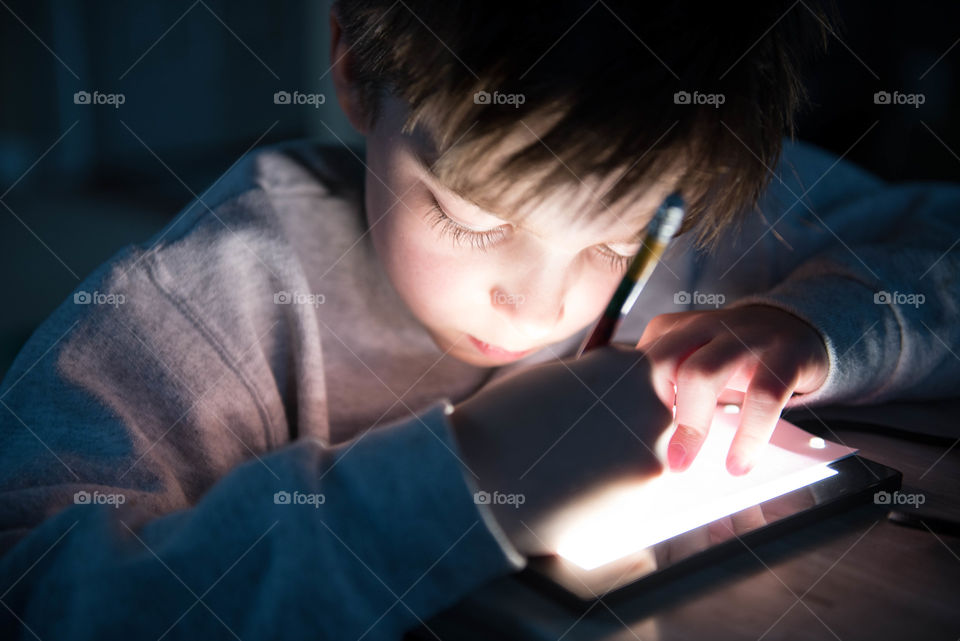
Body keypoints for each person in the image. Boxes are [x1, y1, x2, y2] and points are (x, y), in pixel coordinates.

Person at [2, 2, 958, 639]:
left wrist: (813, 326)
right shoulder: (201, 308)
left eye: (619, 243)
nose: (542, 305)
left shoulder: (690, 175)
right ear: (352, 63)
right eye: (471, 216)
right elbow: (39, 591)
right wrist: (464, 480)